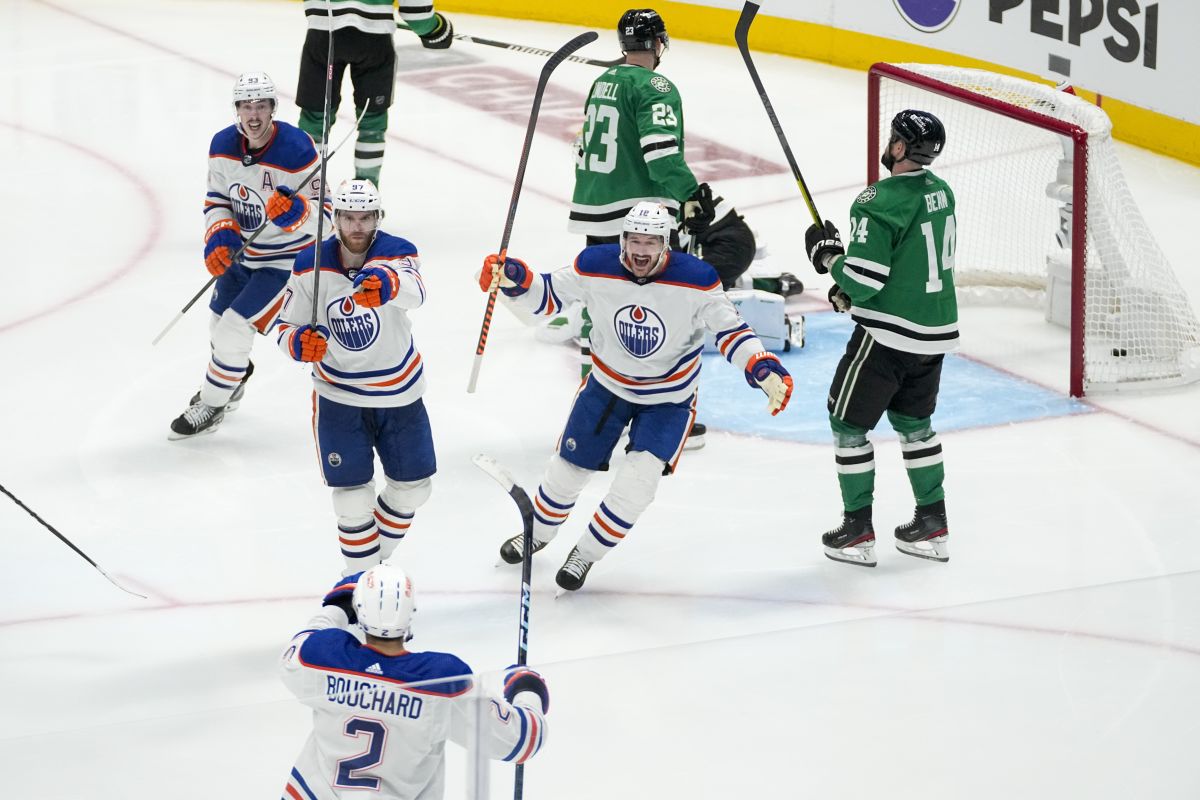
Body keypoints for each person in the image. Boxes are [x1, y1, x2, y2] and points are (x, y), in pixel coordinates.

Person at [479, 202, 794, 592]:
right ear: (622, 239)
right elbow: (546, 298)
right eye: (634, 240)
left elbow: (731, 331)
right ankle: (539, 533)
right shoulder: (595, 264)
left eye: (651, 242)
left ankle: (586, 554)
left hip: (669, 399)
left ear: (667, 244)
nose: (640, 250)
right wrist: (515, 278)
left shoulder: (697, 279)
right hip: (607, 386)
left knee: (637, 484)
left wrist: (759, 364)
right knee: (567, 471)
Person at [804, 109, 956, 568]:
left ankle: (856, 530)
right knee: (915, 426)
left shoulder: (875, 199)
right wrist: (847, 288)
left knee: (847, 425)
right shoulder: (941, 192)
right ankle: (932, 522)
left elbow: (866, 279)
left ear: (896, 148)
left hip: (889, 337)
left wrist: (829, 259)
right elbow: (903, 264)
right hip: (933, 333)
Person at [280, 563, 549, 800]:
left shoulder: (325, 658)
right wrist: (527, 689)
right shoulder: (442, 681)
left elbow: (300, 646)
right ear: (411, 612)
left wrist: (338, 608)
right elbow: (521, 740)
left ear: (359, 610)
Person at [274, 179, 435, 575]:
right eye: (349, 217)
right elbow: (284, 325)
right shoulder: (310, 263)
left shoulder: (396, 252)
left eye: (366, 217)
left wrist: (388, 286)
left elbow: (415, 290)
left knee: (415, 488)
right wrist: (296, 343)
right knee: (350, 499)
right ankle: (359, 585)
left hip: (399, 394)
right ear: (336, 217)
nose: (358, 226)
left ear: (378, 218)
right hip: (338, 395)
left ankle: (361, 572)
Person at [169, 71, 324, 440]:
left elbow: (328, 220)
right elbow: (217, 200)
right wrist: (218, 237)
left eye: (261, 106)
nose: (253, 115)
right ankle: (232, 378)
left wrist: (298, 214)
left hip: (285, 262)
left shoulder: (297, 148)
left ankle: (212, 403)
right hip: (242, 255)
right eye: (245, 106)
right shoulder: (222, 145)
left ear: (273, 108)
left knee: (236, 326)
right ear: (236, 109)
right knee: (217, 324)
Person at [296, 0, 454, 185]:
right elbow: (419, 18)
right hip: (374, 42)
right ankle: (365, 197)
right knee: (372, 124)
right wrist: (439, 30)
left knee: (316, 119)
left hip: (322, 38)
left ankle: (304, 191)